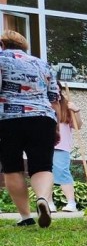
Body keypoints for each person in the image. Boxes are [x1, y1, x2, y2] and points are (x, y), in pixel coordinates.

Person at [0, 29, 59, 227]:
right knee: (42, 165)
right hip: (43, 118)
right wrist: (56, 126)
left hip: (7, 118)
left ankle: (26, 217)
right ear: (24, 47)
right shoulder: (42, 64)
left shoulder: (1, 59)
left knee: (12, 167)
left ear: (3, 45)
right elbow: (54, 98)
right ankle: (42, 198)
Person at [52, 82, 83, 212]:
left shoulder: (66, 106)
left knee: (63, 172)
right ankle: (48, 203)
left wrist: (76, 110)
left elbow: (78, 125)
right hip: (43, 145)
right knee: (45, 173)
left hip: (61, 145)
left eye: (56, 89)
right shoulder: (43, 103)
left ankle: (71, 203)